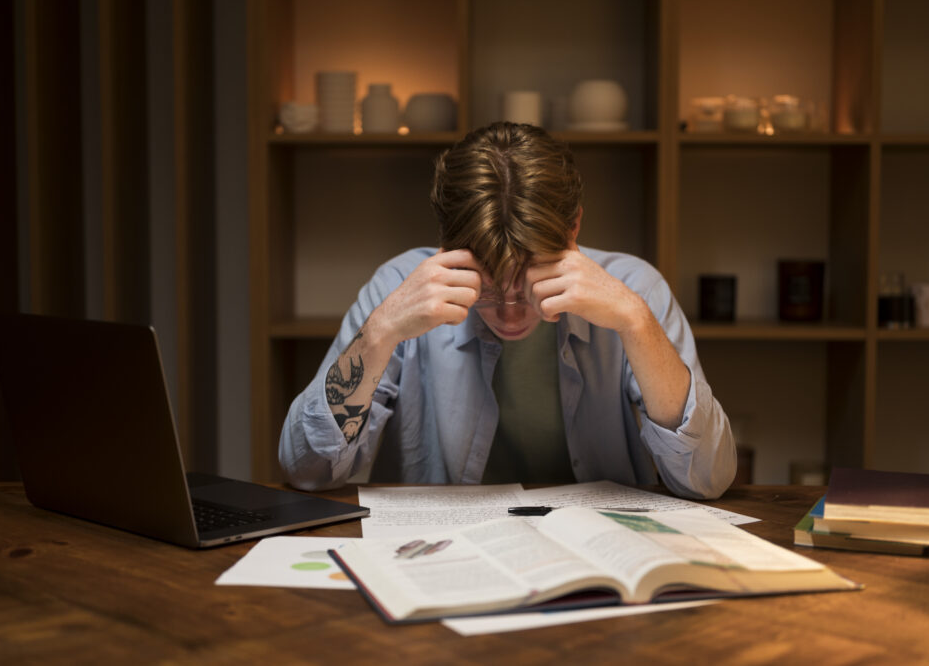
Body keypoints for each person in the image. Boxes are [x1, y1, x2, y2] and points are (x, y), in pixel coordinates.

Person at [279, 122, 735, 499]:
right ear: (446, 240)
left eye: (532, 282)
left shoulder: (636, 289)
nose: (512, 316)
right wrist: (379, 333)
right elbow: (307, 470)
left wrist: (636, 323)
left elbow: (707, 479)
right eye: (490, 289)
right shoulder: (398, 288)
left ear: (573, 226)